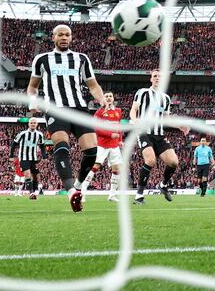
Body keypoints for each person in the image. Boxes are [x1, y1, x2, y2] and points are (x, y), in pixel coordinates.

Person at [27, 24, 108, 212]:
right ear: (53, 37)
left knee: (91, 151)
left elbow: (93, 85)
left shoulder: (81, 59)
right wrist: (33, 100)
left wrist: (101, 98)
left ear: (71, 38)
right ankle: (71, 191)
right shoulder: (42, 59)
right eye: (60, 35)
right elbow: (32, 86)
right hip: (55, 109)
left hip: (79, 108)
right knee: (62, 144)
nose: (64, 37)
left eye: (67, 35)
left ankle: (79, 186)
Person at [131, 69, 188, 205]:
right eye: (154, 76)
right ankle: (139, 195)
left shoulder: (166, 98)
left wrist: (179, 126)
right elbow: (134, 110)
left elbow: (166, 119)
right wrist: (134, 120)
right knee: (150, 161)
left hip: (159, 135)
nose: (157, 78)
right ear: (151, 79)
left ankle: (163, 185)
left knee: (174, 162)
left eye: (159, 77)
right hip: (144, 133)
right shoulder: (142, 93)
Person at [80, 91, 124, 202]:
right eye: (106, 96)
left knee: (117, 169)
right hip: (102, 145)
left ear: (113, 98)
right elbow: (96, 129)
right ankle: (82, 191)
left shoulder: (118, 111)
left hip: (114, 145)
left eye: (110, 96)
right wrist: (110, 134)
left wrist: (120, 140)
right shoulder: (99, 113)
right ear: (103, 99)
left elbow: (119, 126)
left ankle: (112, 195)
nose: (109, 98)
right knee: (94, 167)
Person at [9, 118, 46, 200]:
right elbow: (14, 144)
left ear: (37, 124)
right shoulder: (23, 133)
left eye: (34, 123)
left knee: (36, 177)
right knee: (27, 174)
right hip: (23, 158)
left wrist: (44, 155)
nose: (33, 124)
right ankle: (31, 193)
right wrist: (11, 155)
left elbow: (42, 145)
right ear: (28, 124)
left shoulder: (39, 134)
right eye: (31, 123)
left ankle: (33, 191)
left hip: (33, 159)